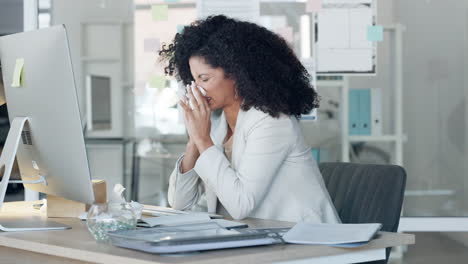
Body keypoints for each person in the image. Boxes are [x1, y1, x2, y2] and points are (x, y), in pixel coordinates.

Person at [159, 15, 340, 223]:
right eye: (194, 79)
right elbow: (179, 203)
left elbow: (240, 204)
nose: (197, 88)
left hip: (304, 241)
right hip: (251, 241)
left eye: (205, 78)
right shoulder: (217, 125)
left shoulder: (271, 122)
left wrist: (203, 141)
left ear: (237, 73)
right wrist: (194, 141)